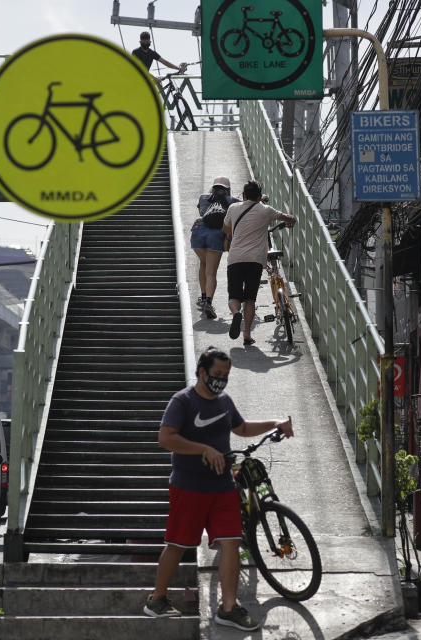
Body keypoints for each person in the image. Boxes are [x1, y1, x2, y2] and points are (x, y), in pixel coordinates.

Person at [143, 347, 293, 631]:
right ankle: (157, 599)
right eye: (216, 374)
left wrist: (275, 423)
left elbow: (242, 427)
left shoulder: (224, 401)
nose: (221, 380)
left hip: (223, 485)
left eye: (226, 375)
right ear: (202, 372)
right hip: (189, 487)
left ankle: (228, 607)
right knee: (177, 544)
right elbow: (165, 438)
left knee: (231, 542)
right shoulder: (182, 401)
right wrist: (203, 449)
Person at [223, 181, 295, 346]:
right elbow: (287, 217)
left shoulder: (233, 208)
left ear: (243, 195)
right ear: (259, 196)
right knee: (250, 299)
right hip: (255, 260)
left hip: (235, 259)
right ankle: (247, 334)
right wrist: (292, 220)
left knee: (234, 296)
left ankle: (235, 314)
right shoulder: (266, 210)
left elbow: (225, 228)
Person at [193, 177, 240, 319]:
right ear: (228, 189)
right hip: (216, 236)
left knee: (203, 263)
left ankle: (202, 297)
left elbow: (201, 212)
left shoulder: (203, 197)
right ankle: (208, 302)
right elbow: (246, 206)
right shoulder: (232, 201)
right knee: (211, 272)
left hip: (197, 232)